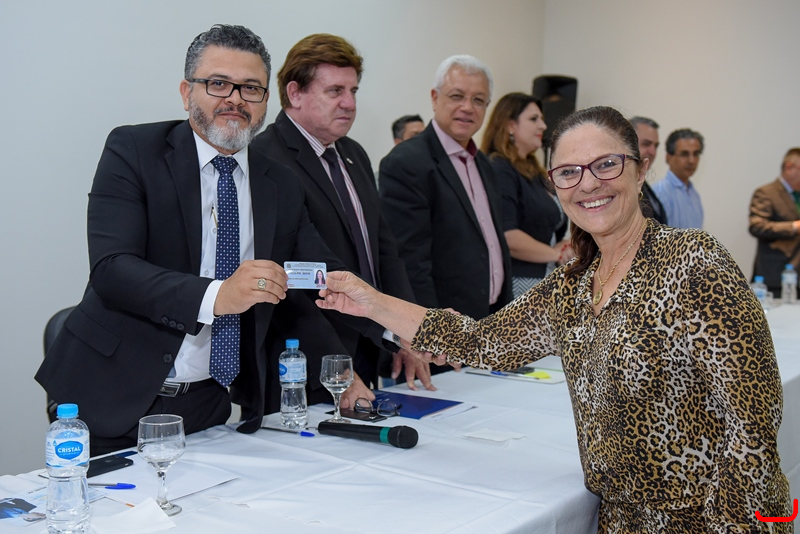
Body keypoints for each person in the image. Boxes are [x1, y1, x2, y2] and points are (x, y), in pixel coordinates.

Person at [319, 106, 791, 532]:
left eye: (606, 164)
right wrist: (372, 302)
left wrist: (730, 523)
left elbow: (753, 418)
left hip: (710, 519)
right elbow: (483, 342)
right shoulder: (573, 284)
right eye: (568, 172)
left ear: (641, 170)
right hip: (623, 519)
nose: (588, 184)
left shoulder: (693, 261)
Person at [35, 24, 363, 454]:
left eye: (251, 88)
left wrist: (391, 331)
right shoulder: (134, 149)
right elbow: (113, 269)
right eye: (218, 83)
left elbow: (315, 276)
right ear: (187, 92)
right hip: (108, 395)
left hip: (208, 402)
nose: (235, 99)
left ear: (266, 100)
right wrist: (218, 296)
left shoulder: (280, 182)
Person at [251, 34, 433, 392]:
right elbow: (289, 280)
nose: (349, 103)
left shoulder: (353, 153)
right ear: (295, 93)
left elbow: (384, 252)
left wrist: (405, 331)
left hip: (370, 343)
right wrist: (335, 365)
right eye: (335, 91)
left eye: (353, 91)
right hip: (304, 358)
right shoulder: (265, 158)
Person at [379, 55, 512, 324]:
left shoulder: (484, 165)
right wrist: (432, 327)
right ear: (434, 98)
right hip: (443, 325)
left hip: (492, 320)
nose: (467, 107)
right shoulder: (406, 163)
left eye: (478, 100)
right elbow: (409, 261)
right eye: (457, 96)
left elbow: (491, 243)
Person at [481, 92, 572, 297]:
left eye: (541, 119)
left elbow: (549, 233)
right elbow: (507, 235)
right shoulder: (500, 168)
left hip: (545, 278)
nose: (543, 126)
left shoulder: (533, 171)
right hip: (519, 284)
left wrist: (565, 246)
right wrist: (555, 253)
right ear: (510, 125)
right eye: (533, 119)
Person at [749, 147, 800, 297]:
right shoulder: (766, 193)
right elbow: (757, 226)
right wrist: (794, 226)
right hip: (775, 277)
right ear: (789, 168)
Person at [652, 128, 705, 228]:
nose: (691, 160)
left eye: (696, 154)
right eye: (684, 154)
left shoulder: (694, 194)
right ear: (668, 157)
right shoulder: (661, 192)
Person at [629, 116, 667, 224]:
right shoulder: (622, 186)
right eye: (646, 144)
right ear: (628, 143)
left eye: (656, 146)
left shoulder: (642, 184)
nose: (653, 152)